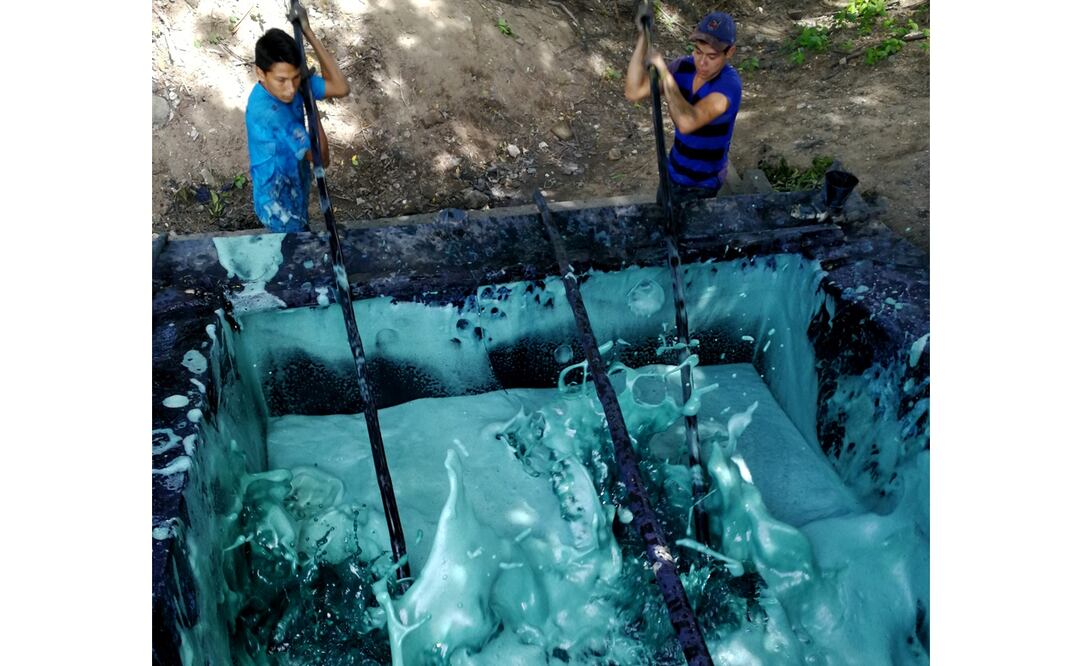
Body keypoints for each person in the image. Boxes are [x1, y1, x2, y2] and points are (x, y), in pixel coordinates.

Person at [245, 4, 350, 233]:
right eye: (281, 80)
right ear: (260, 73)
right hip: (276, 202)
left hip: (294, 176)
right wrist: (309, 99)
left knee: (301, 224)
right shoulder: (271, 115)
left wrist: (308, 32)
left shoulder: (291, 84)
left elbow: (341, 87)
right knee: (292, 247)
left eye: (295, 78)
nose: (290, 89)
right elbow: (322, 158)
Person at [625, 10, 742, 203]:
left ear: (730, 52)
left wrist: (665, 74)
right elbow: (633, 92)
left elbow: (686, 122)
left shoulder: (728, 86)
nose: (702, 63)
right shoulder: (683, 67)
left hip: (702, 184)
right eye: (697, 51)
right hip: (672, 172)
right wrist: (644, 39)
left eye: (712, 57)